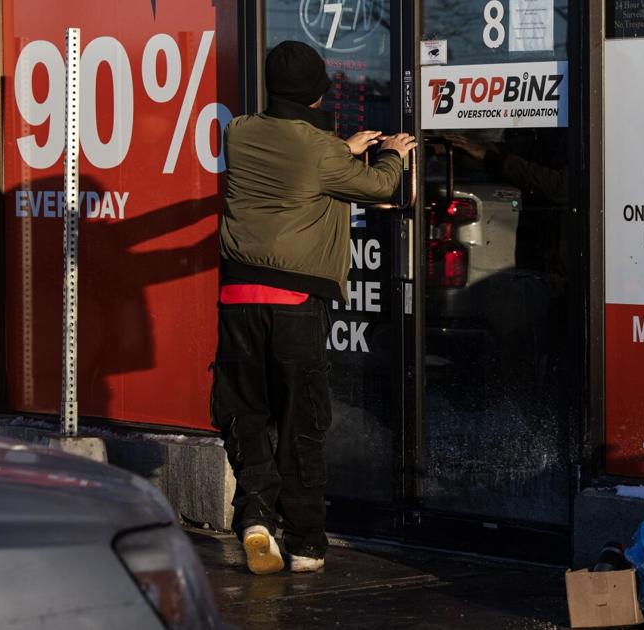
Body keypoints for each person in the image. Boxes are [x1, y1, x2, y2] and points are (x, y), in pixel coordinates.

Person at [212, 40, 415, 575]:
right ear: (317, 92)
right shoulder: (320, 148)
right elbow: (377, 184)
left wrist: (341, 148)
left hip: (236, 298)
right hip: (295, 302)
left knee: (246, 414)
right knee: (302, 421)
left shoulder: (240, 132)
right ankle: (305, 543)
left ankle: (255, 515)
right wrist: (394, 150)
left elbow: (295, 166)